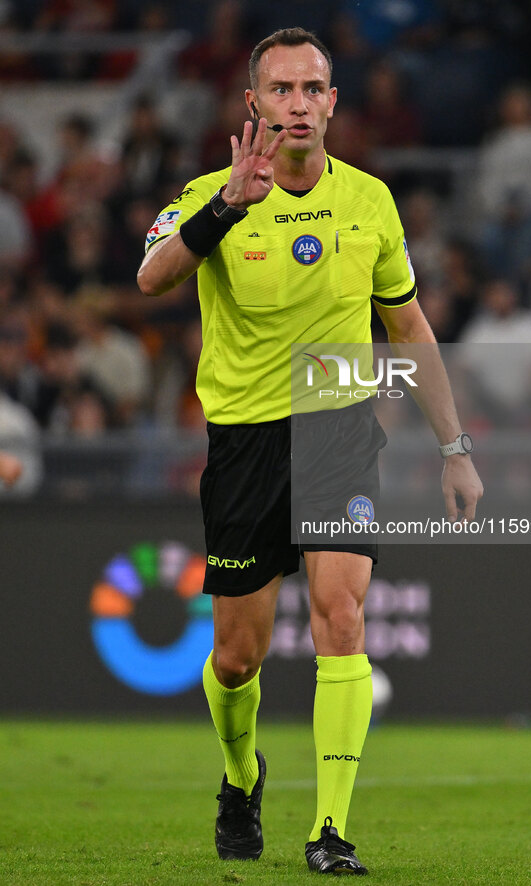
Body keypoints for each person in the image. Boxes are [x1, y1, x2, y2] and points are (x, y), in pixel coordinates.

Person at [137, 27, 483, 875]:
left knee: (342, 619)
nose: (297, 104)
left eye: (312, 89)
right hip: (246, 439)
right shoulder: (209, 194)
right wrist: (228, 207)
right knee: (235, 656)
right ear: (251, 103)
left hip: (336, 428)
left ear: (333, 102)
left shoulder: (370, 201)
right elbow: (149, 277)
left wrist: (454, 446)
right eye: (280, 90)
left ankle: (330, 831)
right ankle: (238, 775)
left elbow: (406, 325)